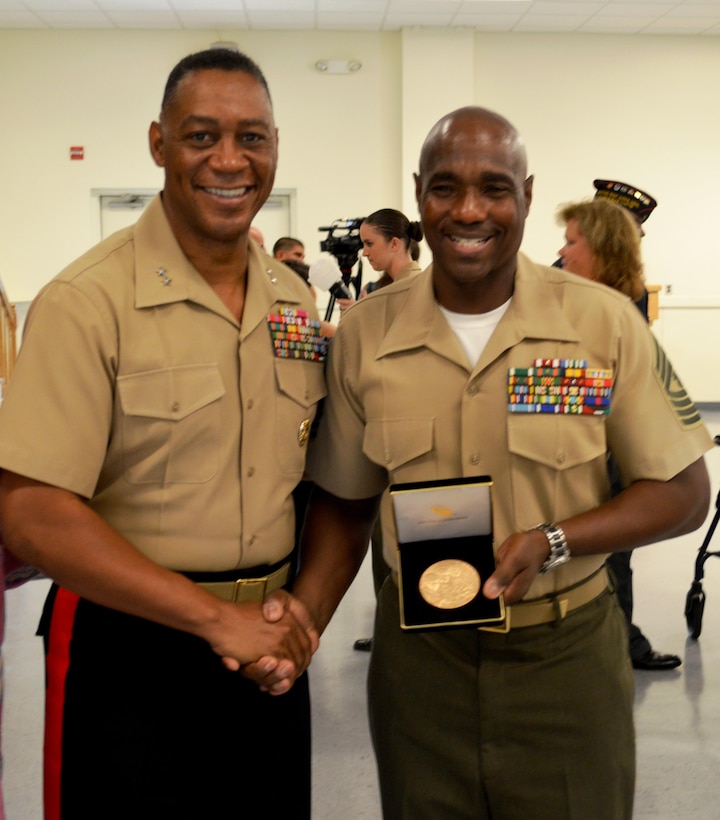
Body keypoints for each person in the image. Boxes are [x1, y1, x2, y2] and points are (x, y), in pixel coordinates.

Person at [277, 106, 713, 819]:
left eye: (495, 188)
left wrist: (555, 541)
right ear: (420, 196)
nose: (469, 210)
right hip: (421, 672)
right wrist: (305, 620)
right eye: (446, 188)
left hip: (564, 661)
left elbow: (685, 493)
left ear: (528, 196)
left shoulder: (600, 323)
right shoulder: (367, 334)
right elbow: (346, 503)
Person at [0, 48, 325, 819]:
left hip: (270, 646)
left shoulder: (294, 301)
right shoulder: (86, 302)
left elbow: (314, 481)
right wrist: (217, 620)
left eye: (253, 138)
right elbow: (30, 511)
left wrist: (293, 625)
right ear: (158, 143)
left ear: (275, 148)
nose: (229, 159)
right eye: (201, 135)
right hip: (129, 654)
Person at [557, 194, 681, 671]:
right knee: (600, 544)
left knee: (614, 544)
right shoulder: (563, 290)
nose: (563, 249)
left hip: (609, 433)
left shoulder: (621, 292)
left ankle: (618, 639)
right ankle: (615, 641)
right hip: (583, 434)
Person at [343, 208, 424, 650]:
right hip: (382, 429)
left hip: (411, 429)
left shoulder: (420, 290)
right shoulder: (379, 292)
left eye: (370, 243)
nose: (364, 251)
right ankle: (389, 622)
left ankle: (413, 621)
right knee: (382, 535)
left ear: (397, 243)